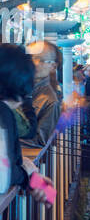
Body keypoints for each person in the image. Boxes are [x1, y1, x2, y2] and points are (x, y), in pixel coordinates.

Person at [0, 44, 54, 202]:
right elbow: (4, 175)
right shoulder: (4, 111)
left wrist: (31, 176)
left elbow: (11, 163)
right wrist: (30, 174)